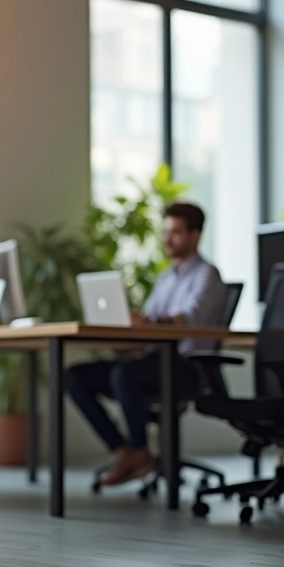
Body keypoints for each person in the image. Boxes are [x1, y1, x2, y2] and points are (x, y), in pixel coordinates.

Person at [65, 202, 226, 486]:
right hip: (152, 361)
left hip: (189, 367)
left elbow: (189, 318)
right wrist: (131, 328)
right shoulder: (165, 279)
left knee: (124, 375)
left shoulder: (207, 275)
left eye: (175, 232)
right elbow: (151, 322)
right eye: (166, 232)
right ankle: (124, 450)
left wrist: (151, 322)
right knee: (75, 376)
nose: (167, 239)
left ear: (195, 235)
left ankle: (141, 453)